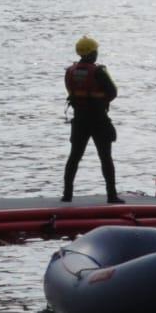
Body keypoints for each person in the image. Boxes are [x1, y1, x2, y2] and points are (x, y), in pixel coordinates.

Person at [61, 35, 123, 204]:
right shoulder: (98, 72)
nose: (97, 53)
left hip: (80, 120)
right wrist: (101, 102)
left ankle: (67, 195)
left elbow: (70, 91)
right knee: (105, 157)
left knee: (74, 156)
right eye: (95, 51)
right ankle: (112, 195)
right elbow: (113, 92)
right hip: (98, 119)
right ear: (91, 53)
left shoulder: (70, 72)